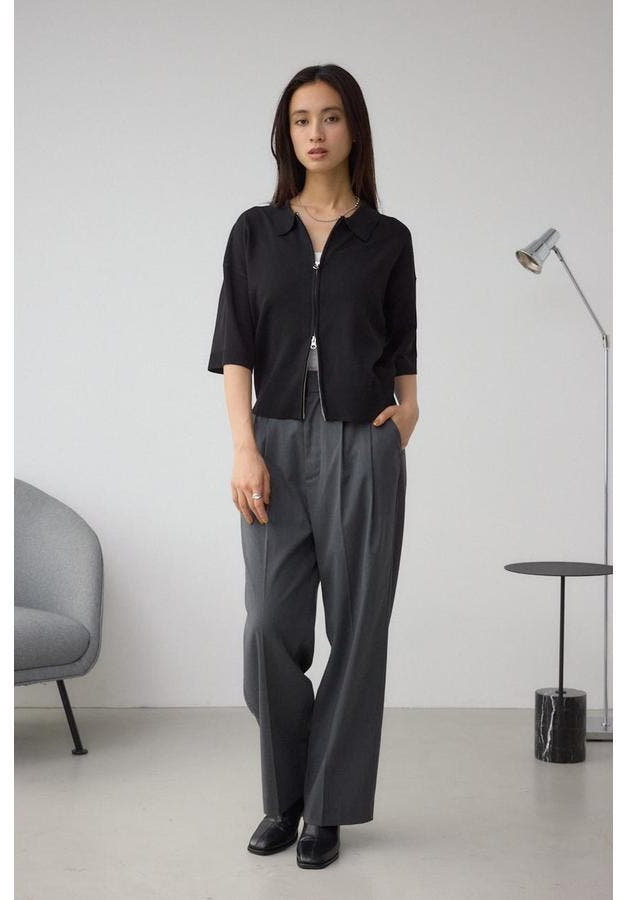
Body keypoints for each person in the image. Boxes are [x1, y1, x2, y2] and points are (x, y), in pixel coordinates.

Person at [207, 63, 418, 870]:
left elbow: (403, 340)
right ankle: (287, 794)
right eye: (301, 119)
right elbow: (235, 347)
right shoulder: (255, 233)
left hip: (364, 440)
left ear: (352, 128)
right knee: (269, 625)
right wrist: (244, 446)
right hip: (276, 441)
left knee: (358, 631)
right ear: (286, 134)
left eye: (330, 116)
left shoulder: (387, 238)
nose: (316, 132)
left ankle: (325, 810)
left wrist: (408, 410)